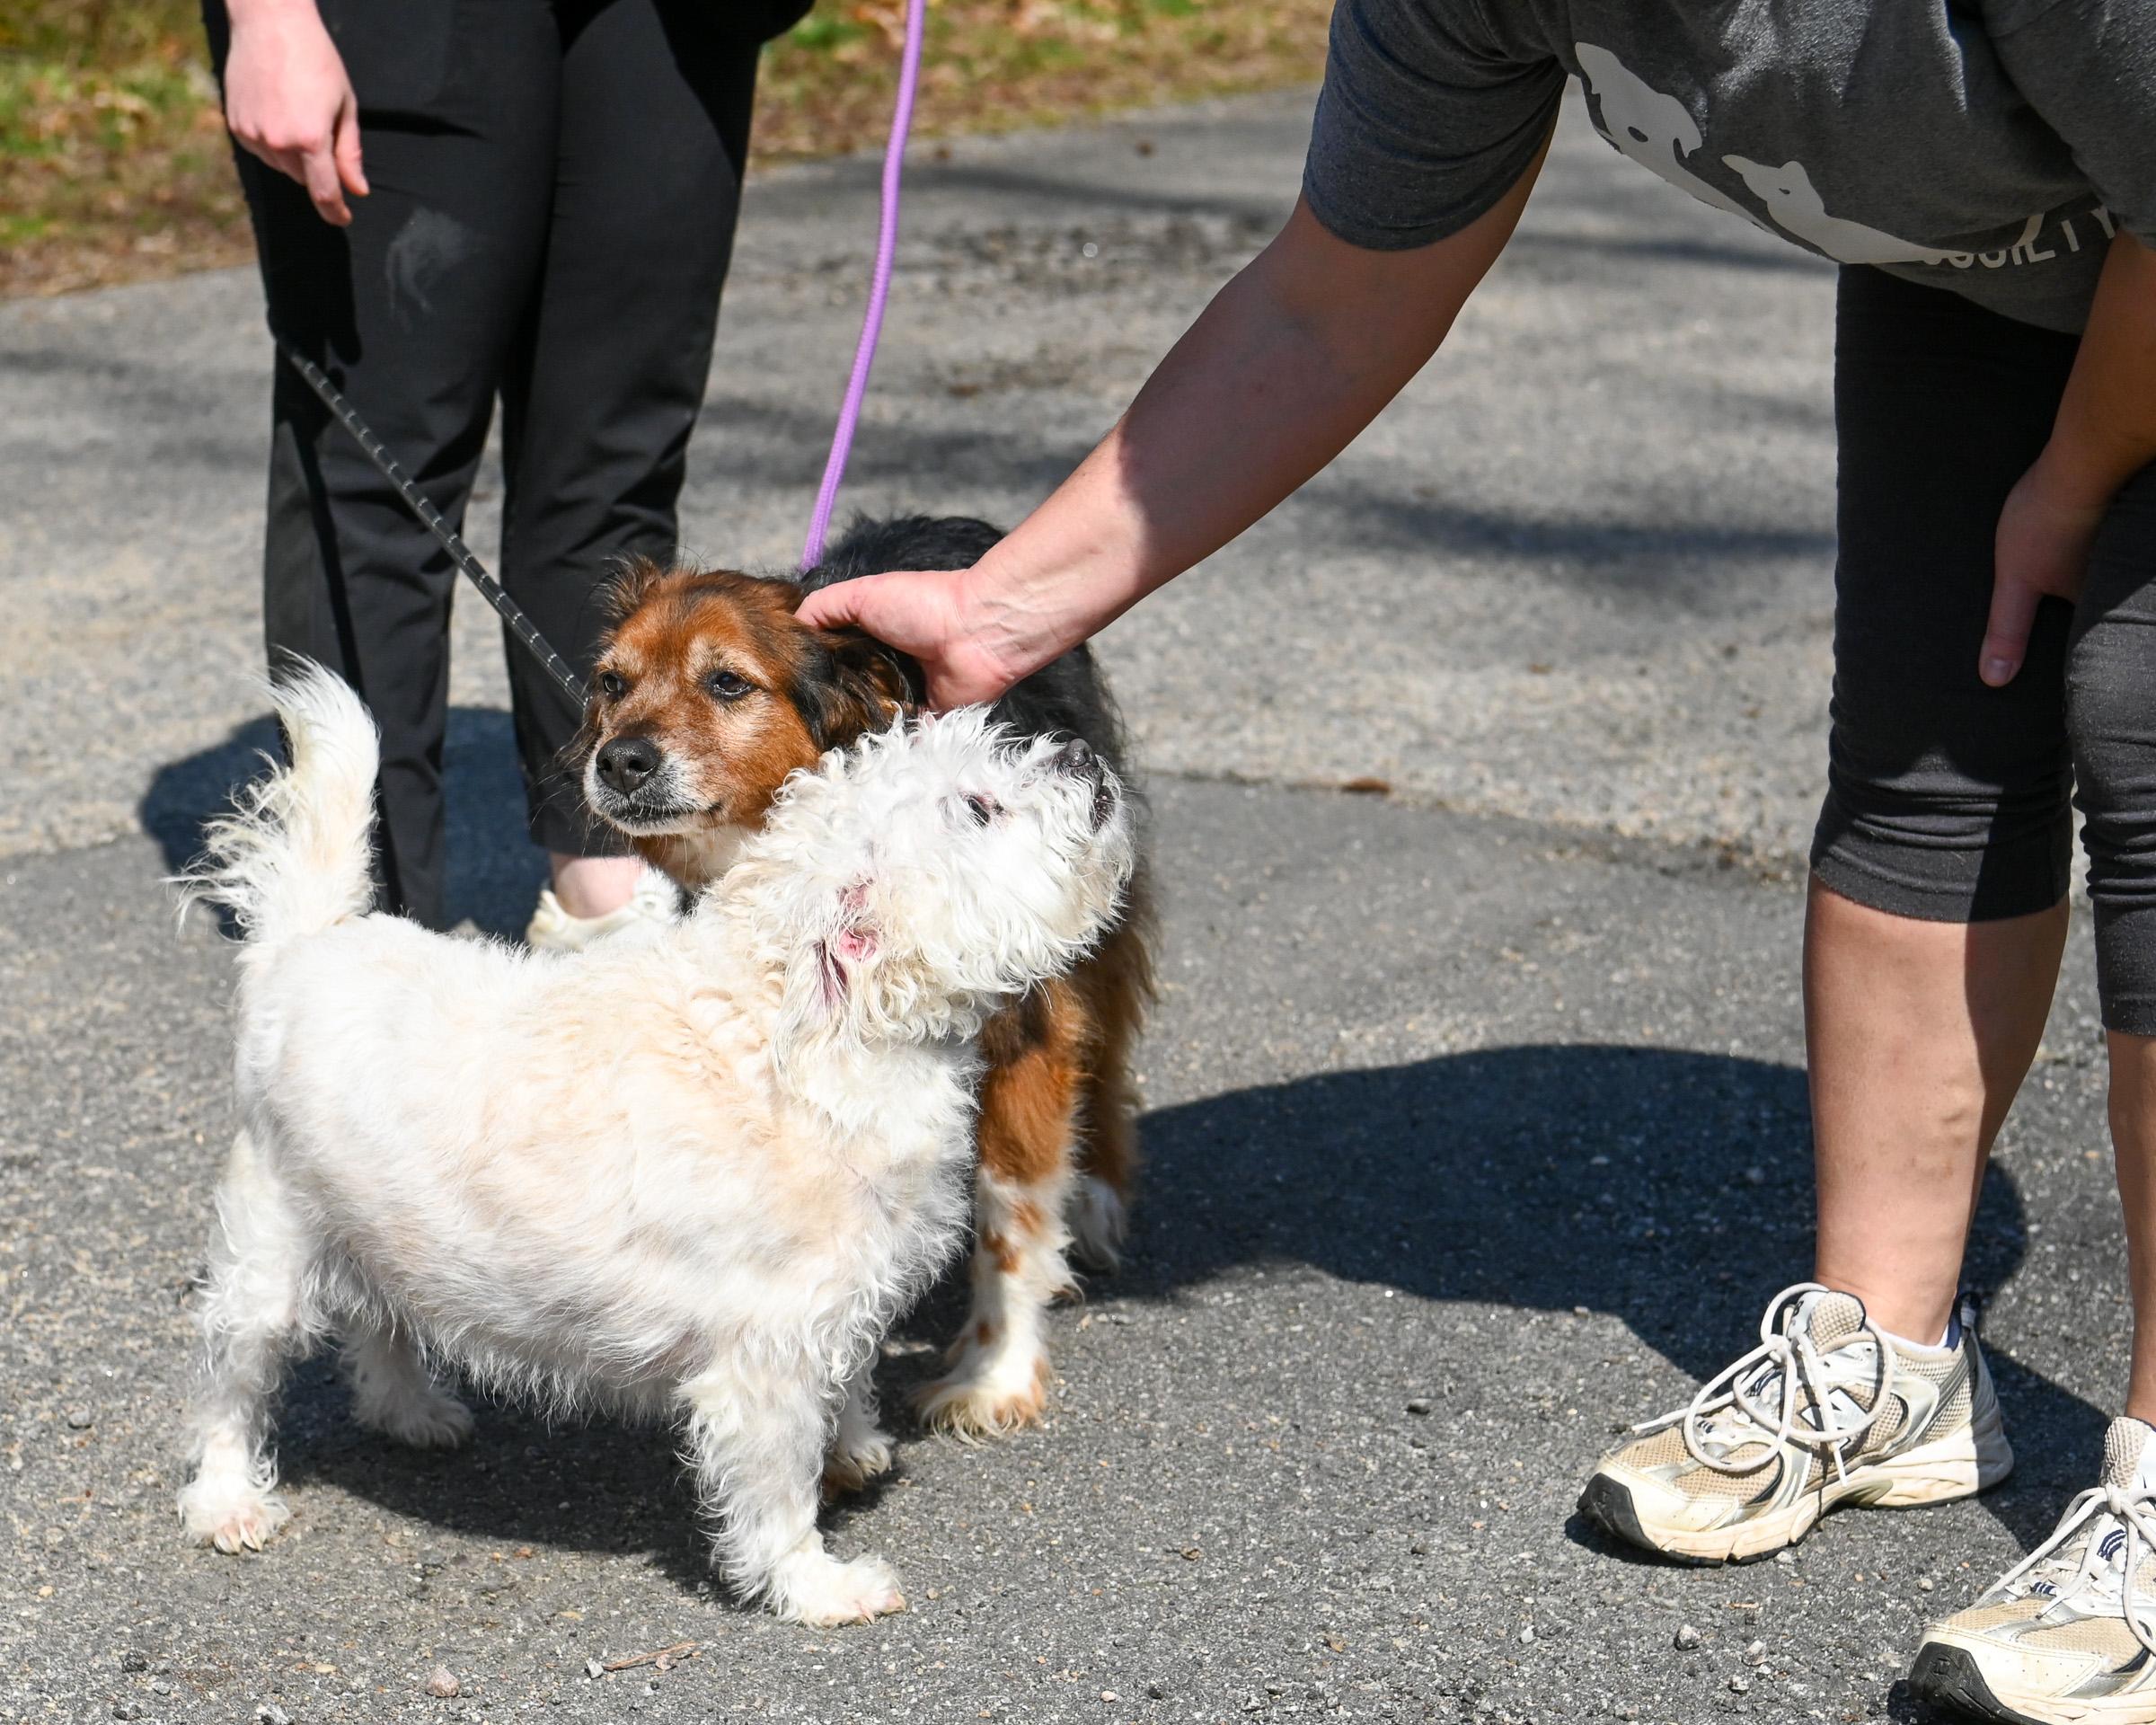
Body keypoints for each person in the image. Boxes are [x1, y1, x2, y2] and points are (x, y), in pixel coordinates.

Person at [799, 4, 2156, 1716]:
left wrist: (2074, 477)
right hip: (2008, 240)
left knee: (2140, 711)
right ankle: (1885, 1358)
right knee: (1926, 721)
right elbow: (1334, 297)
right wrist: (1004, 611)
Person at [203, 0, 805, 944]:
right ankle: (357, 932)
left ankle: (609, 897)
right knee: (379, 483)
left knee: (616, 464)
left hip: (664, 21)